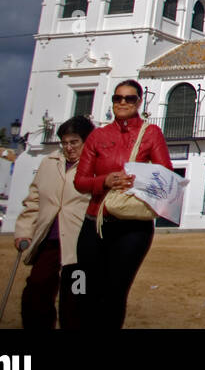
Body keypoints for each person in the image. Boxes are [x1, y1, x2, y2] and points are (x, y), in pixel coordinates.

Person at [73, 79, 172, 329]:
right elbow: (80, 181)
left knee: (115, 293)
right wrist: (105, 181)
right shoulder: (97, 136)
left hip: (132, 228)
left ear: (139, 102)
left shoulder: (151, 134)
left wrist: (135, 180)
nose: (123, 103)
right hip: (95, 223)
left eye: (129, 98)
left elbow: (165, 175)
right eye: (118, 98)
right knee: (86, 292)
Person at [14, 116, 94, 329]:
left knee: (75, 297)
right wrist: (24, 231)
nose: (68, 147)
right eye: (65, 142)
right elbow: (33, 200)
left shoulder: (96, 166)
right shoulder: (48, 163)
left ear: (87, 141)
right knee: (36, 290)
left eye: (74, 142)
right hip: (49, 241)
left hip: (80, 247)